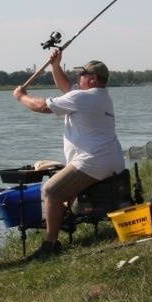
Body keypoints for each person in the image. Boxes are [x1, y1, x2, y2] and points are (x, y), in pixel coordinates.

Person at [13, 50, 125, 259]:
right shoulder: (99, 96)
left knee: (51, 190)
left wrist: (22, 97)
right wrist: (56, 65)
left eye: (82, 74)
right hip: (110, 159)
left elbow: (42, 106)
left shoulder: (82, 97)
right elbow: (67, 89)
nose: (78, 77)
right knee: (61, 190)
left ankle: (50, 244)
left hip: (92, 162)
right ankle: (61, 219)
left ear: (91, 79)